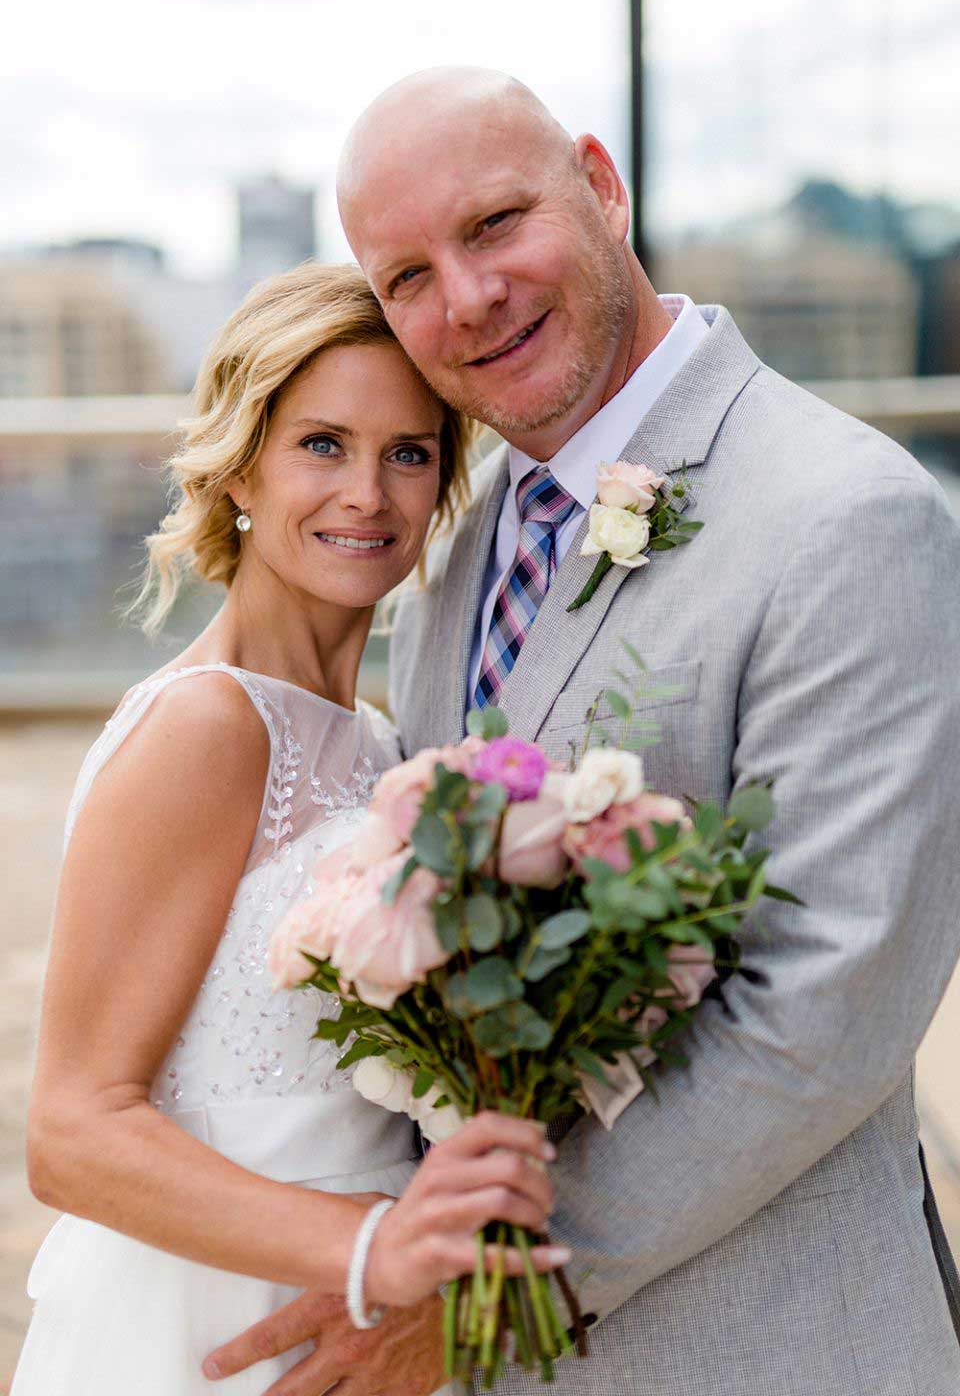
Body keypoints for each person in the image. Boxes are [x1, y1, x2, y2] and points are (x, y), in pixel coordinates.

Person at [205, 69, 960, 1396]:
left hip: (767, 1348)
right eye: (408, 277)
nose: (469, 297)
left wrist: (482, 1298)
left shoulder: (852, 519)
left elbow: (825, 1003)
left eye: (496, 225)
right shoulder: (450, 528)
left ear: (602, 186)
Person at [11, 261, 569, 1396]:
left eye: (407, 453)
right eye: (322, 443)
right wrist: (372, 1252)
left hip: (371, 1329)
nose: (367, 492)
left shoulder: (379, 744)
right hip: (212, 1324)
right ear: (241, 468)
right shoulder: (206, 727)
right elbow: (70, 1135)